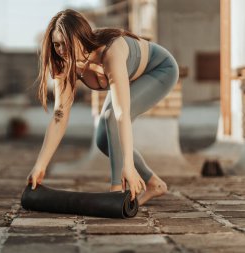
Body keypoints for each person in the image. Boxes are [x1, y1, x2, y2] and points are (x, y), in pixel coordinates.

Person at [26, 9, 179, 206]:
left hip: (159, 69)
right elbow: (59, 115)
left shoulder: (110, 52)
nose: (62, 51)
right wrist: (40, 165)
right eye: (57, 45)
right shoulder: (63, 64)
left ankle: (117, 192)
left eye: (66, 43)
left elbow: (121, 114)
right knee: (103, 141)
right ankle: (154, 183)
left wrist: (128, 166)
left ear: (81, 38)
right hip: (130, 76)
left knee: (110, 117)